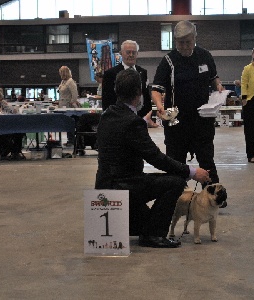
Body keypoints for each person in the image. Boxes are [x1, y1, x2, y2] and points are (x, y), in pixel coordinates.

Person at [95, 69, 211, 248]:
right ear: (139, 93)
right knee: (175, 182)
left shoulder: (107, 115)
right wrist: (192, 172)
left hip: (104, 186)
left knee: (144, 221)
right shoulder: (133, 122)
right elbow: (156, 158)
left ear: (116, 90)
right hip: (125, 187)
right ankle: (154, 236)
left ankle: (140, 227)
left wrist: (141, 121)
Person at [151, 20, 224, 187]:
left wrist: (218, 86)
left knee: (206, 160)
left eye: (187, 42)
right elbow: (156, 89)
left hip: (202, 120)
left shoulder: (205, 56)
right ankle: (175, 196)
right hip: (176, 122)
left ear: (195, 38)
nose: (183, 46)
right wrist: (159, 105)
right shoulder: (168, 61)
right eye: (180, 42)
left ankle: (213, 194)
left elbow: (214, 78)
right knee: (175, 162)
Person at [101, 40, 157, 127]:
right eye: (128, 52)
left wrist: (149, 118)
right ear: (121, 53)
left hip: (141, 120)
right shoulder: (110, 74)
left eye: (133, 52)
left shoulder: (143, 72)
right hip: (119, 121)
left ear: (137, 54)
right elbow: (106, 100)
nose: (131, 55)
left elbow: (146, 97)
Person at [58, 66, 80, 146]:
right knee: (66, 123)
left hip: (69, 107)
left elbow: (75, 94)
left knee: (70, 123)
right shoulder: (63, 81)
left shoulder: (70, 81)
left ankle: (72, 140)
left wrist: (72, 102)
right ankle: (70, 139)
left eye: (61, 72)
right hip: (62, 106)